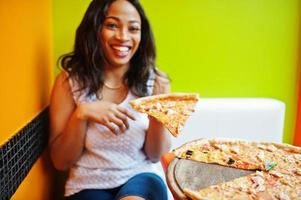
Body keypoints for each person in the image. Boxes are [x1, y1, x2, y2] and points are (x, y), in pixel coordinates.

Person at [49, 0, 171, 199]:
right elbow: (61, 162)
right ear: (95, 28)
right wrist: (82, 114)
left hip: (141, 175)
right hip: (87, 183)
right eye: (112, 25)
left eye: (133, 29)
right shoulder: (68, 82)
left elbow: (155, 154)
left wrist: (159, 116)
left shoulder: (156, 82)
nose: (123, 37)